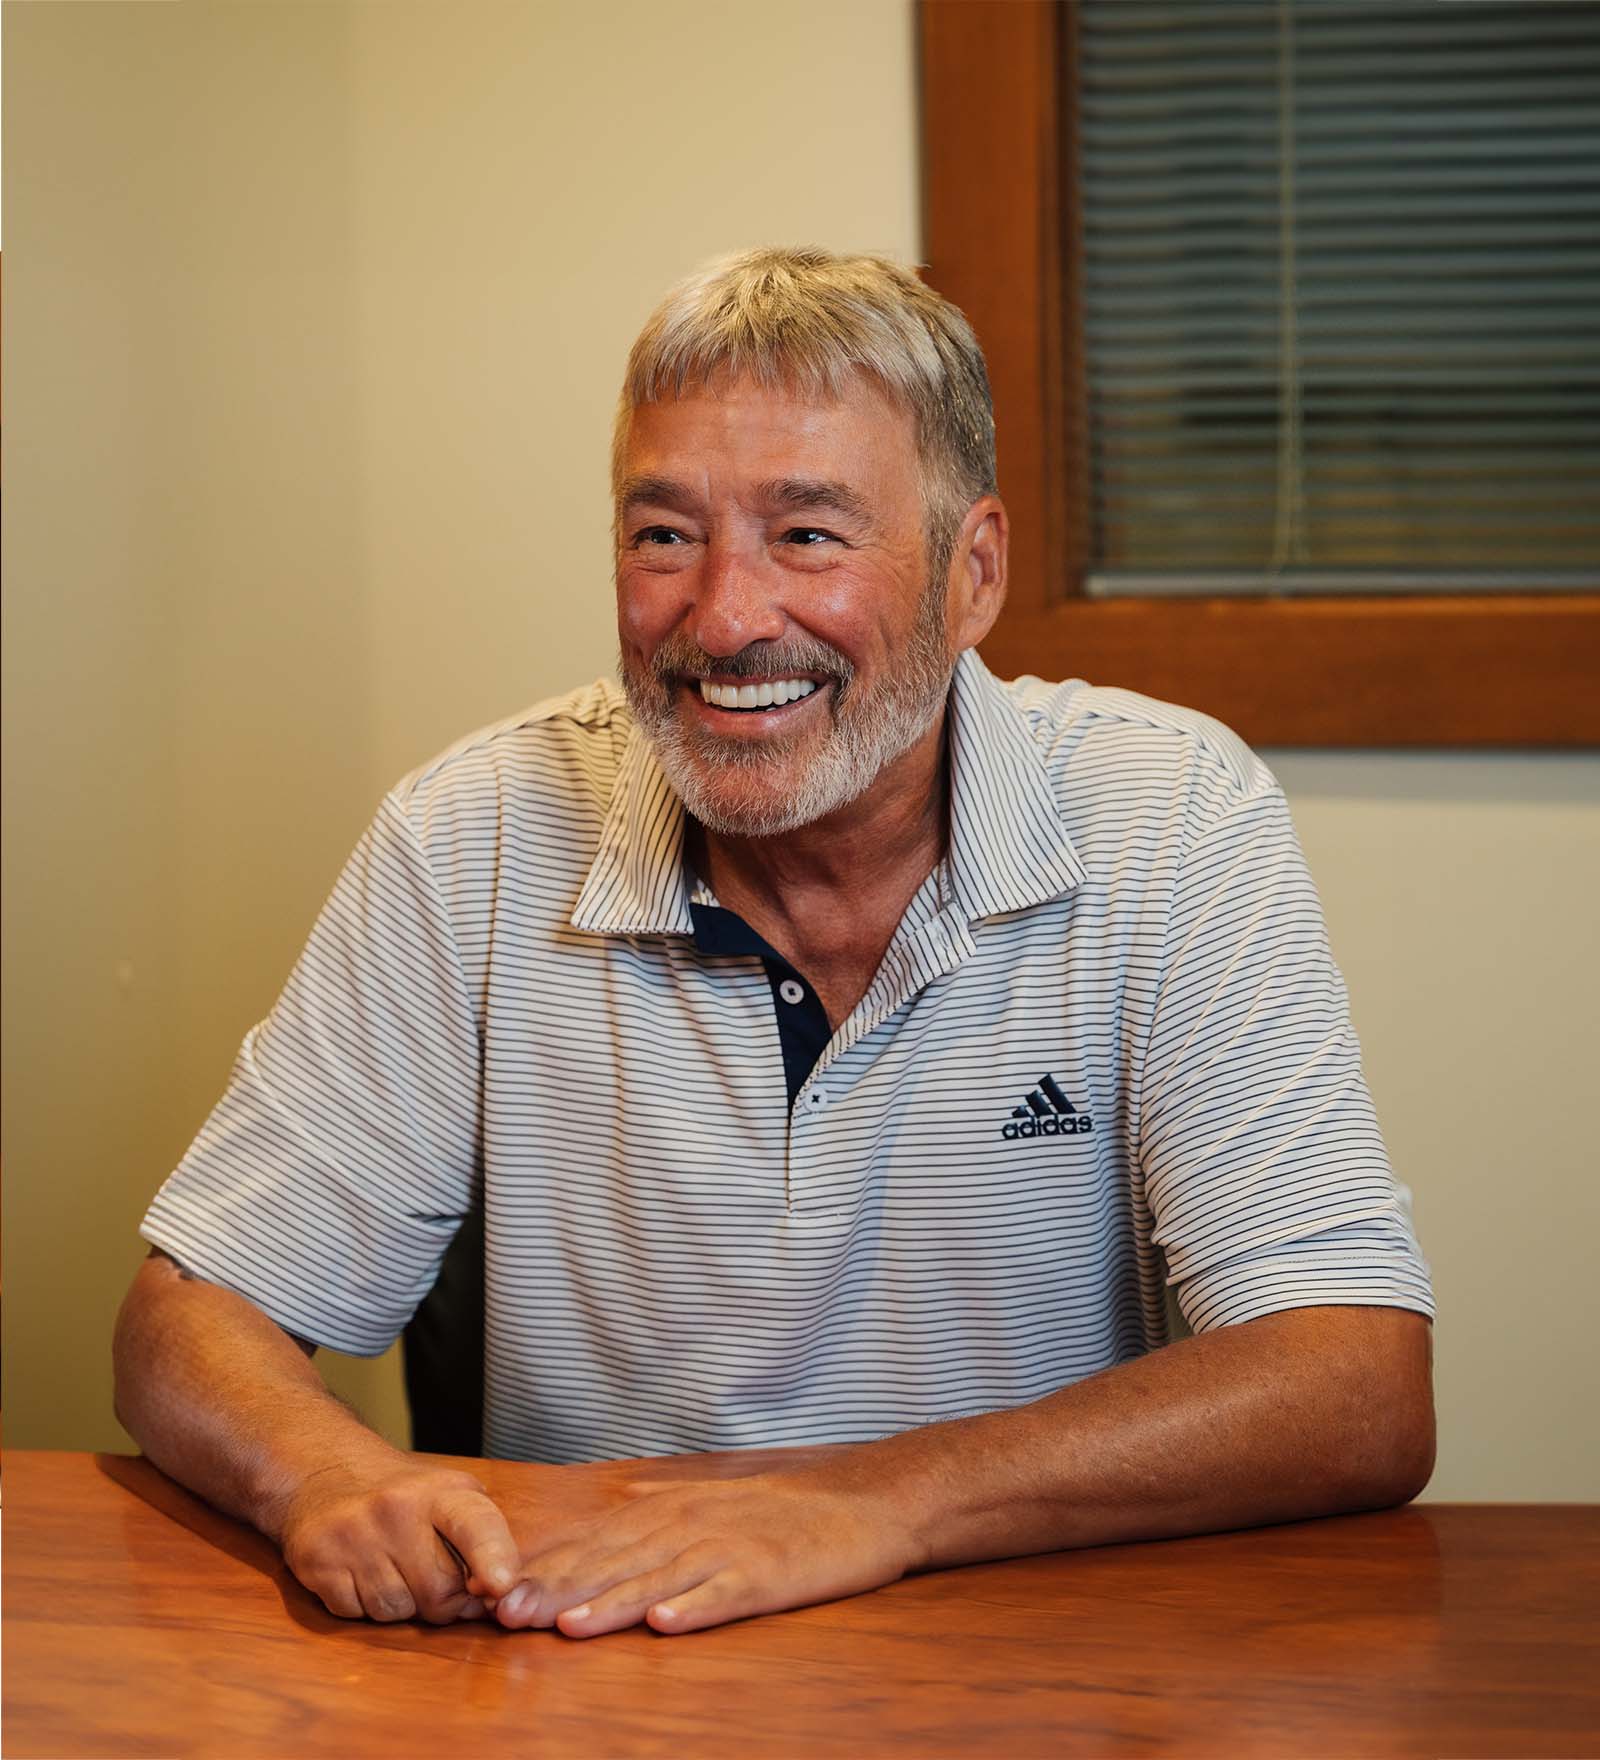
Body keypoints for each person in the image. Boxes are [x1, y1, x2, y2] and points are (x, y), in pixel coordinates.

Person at [114, 247, 1435, 1639]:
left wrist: (875, 1504)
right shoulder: (473, 834)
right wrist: (327, 1474)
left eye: (807, 536)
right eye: (663, 535)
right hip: (590, 1655)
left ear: (971, 573)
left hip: (1047, 1657)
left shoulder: (1168, 814)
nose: (726, 618)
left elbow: (1349, 1382)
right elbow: (187, 1324)